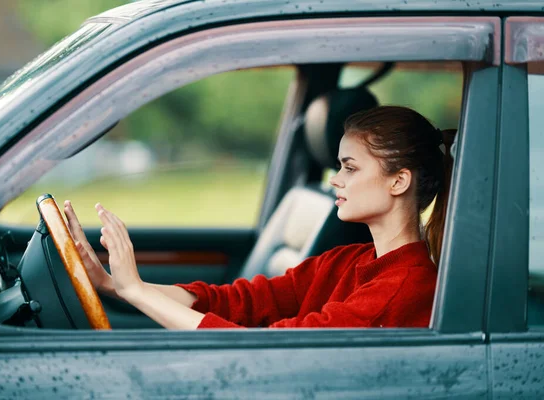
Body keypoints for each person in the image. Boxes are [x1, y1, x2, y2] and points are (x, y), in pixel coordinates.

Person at [63, 105, 456, 330]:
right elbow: (238, 301)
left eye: (350, 168)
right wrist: (115, 285)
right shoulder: (347, 261)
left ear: (398, 181)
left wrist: (138, 292)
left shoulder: (401, 290)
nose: (335, 179)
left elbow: (260, 351)